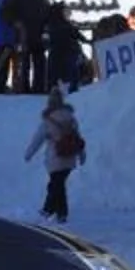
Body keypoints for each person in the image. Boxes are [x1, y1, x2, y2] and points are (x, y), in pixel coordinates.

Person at [24, 89, 85, 223]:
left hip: (55, 157)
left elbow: (38, 139)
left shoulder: (48, 120)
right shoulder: (70, 117)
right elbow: (77, 137)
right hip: (69, 156)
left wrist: (29, 154)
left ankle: (51, 210)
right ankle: (56, 211)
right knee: (58, 184)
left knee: (56, 185)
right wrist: (82, 155)